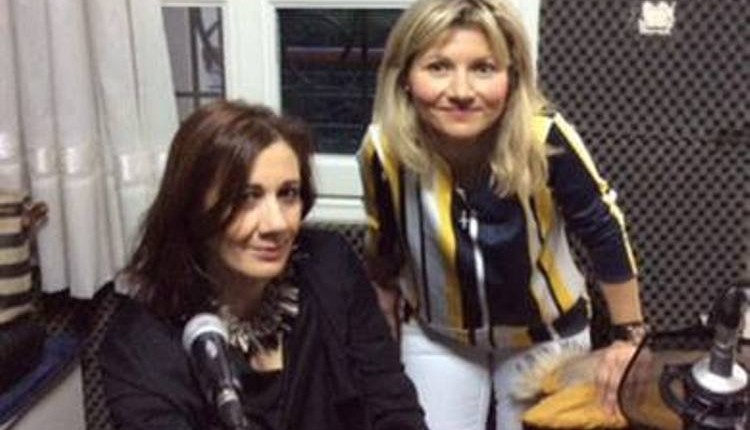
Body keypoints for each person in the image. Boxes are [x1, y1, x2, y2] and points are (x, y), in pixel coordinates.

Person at [357, 0, 647, 429]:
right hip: (439, 335)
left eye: (483, 68)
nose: (461, 90)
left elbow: (603, 230)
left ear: (511, 78)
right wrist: (381, 317)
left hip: (546, 335)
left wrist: (628, 339)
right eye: (438, 67)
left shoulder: (546, 138)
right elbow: (383, 239)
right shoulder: (382, 149)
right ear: (405, 78)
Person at [99, 100, 427, 430]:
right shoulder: (138, 344)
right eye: (246, 197)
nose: (277, 224)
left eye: (288, 194)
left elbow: (393, 406)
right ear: (192, 207)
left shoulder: (331, 266)